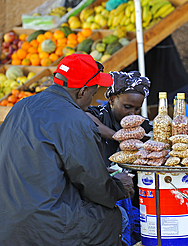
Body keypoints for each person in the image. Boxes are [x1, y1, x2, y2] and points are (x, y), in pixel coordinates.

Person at [0, 54, 134, 246]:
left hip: (7, 222)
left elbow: (43, 163)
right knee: (118, 216)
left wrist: (101, 173)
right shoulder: (76, 120)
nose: (93, 98)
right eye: (94, 91)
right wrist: (119, 185)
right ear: (82, 91)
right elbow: (97, 190)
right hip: (48, 228)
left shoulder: (21, 107)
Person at [86, 71, 152, 245]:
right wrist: (115, 135)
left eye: (137, 108)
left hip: (131, 197)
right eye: (127, 106)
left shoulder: (141, 125)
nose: (132, 113)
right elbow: (79, 115)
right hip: (103, 197)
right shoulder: (98, 115)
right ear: (112, 99)